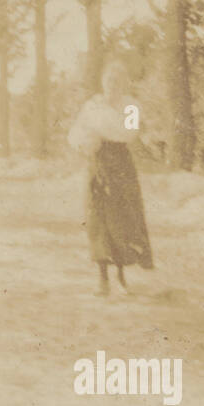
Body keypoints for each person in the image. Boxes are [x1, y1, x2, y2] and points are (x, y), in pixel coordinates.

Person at [67, 59, 154, 296]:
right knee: (98, 220)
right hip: (97, 162)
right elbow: (75, 132)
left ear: (124, 84)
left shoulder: (130, 107)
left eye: (117, 82)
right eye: (108, 81)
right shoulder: (93, 105)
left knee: (122, 220)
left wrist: (99, 128)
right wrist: (85, 143)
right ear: (103, 82)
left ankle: (121, 277)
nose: (112, 86)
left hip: (121, 164)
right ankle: (102, 280)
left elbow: (128, 132)